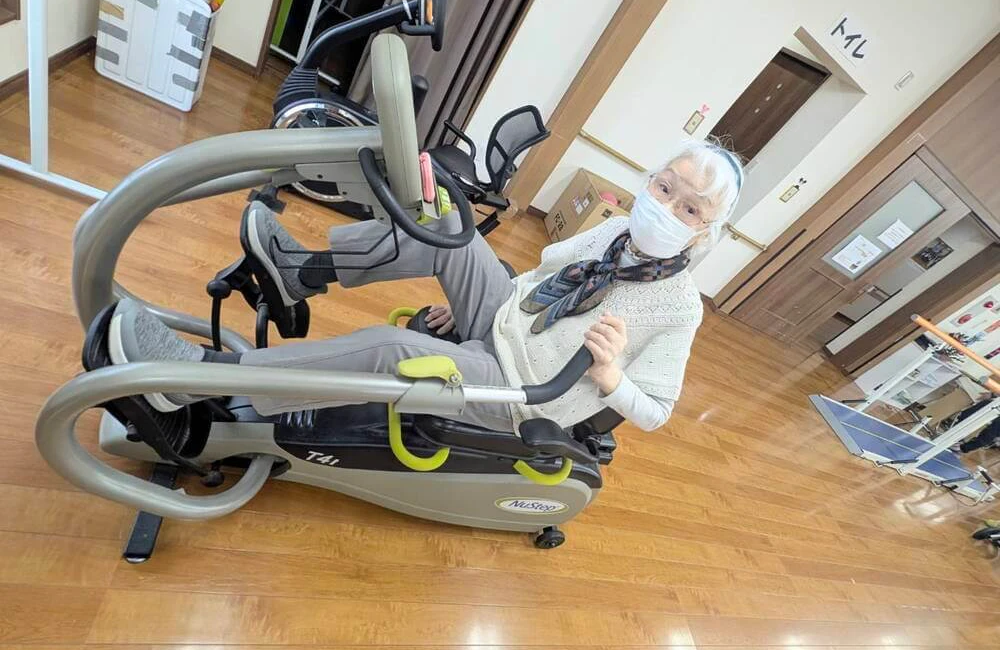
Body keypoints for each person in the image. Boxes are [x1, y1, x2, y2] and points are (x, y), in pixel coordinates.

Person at [109, 138, 743, 433]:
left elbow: (656, 412)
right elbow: (539, 276)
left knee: (392, 350)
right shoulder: (614, 233)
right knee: (450, 233)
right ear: (649, 180)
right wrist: (471, 306)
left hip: (520, 392)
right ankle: (299, 273)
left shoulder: (678, 308)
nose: (666, 207)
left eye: (690, 208)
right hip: (504, 323)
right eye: (665, 187)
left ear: (705, 233)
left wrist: (610, 377)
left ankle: (197, 380)